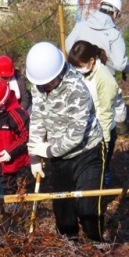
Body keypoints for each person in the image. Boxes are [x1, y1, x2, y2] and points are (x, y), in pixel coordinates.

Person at [26, 42, 106, 242]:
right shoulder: (38, 85)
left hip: (87, 151)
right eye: (42, 84)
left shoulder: (77, 89)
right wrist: (35, 156)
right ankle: (71, 246)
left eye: (49, 83)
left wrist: (49, 150)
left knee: (87, 207)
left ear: (59, 72)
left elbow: (76, 135)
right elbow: (37, 118)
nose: (45, 87)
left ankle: (96, 243)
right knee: (63, 209)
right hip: (58, 157)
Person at [67, 40, 126, 187]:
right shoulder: (85, 73)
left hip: (102, 132)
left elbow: (106, 114)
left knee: (100, 169)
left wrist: (104, 144)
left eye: (79, 66)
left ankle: (102, 195)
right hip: (86, 128)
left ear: (91, 61)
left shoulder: (105, 79)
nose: (77, 70)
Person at [65, 0, 129, 77]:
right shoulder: (114, 34)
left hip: (79, 76)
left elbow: (68, 47)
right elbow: (120, 64)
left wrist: (82, 62)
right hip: (104, 78)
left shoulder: (80, 26)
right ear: (116, 13)